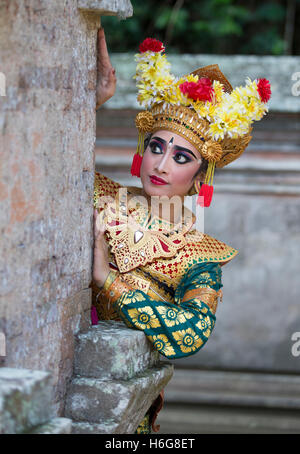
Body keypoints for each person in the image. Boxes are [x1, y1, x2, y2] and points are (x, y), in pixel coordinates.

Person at [92, 30, 271, 433]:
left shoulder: (200, 256)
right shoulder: (96, 193)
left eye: (181, 156)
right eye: (156, 147)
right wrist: (92, 102)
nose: (161, 164)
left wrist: (107, 280)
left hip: (124, 407)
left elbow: (191, 333)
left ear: (201, 173)